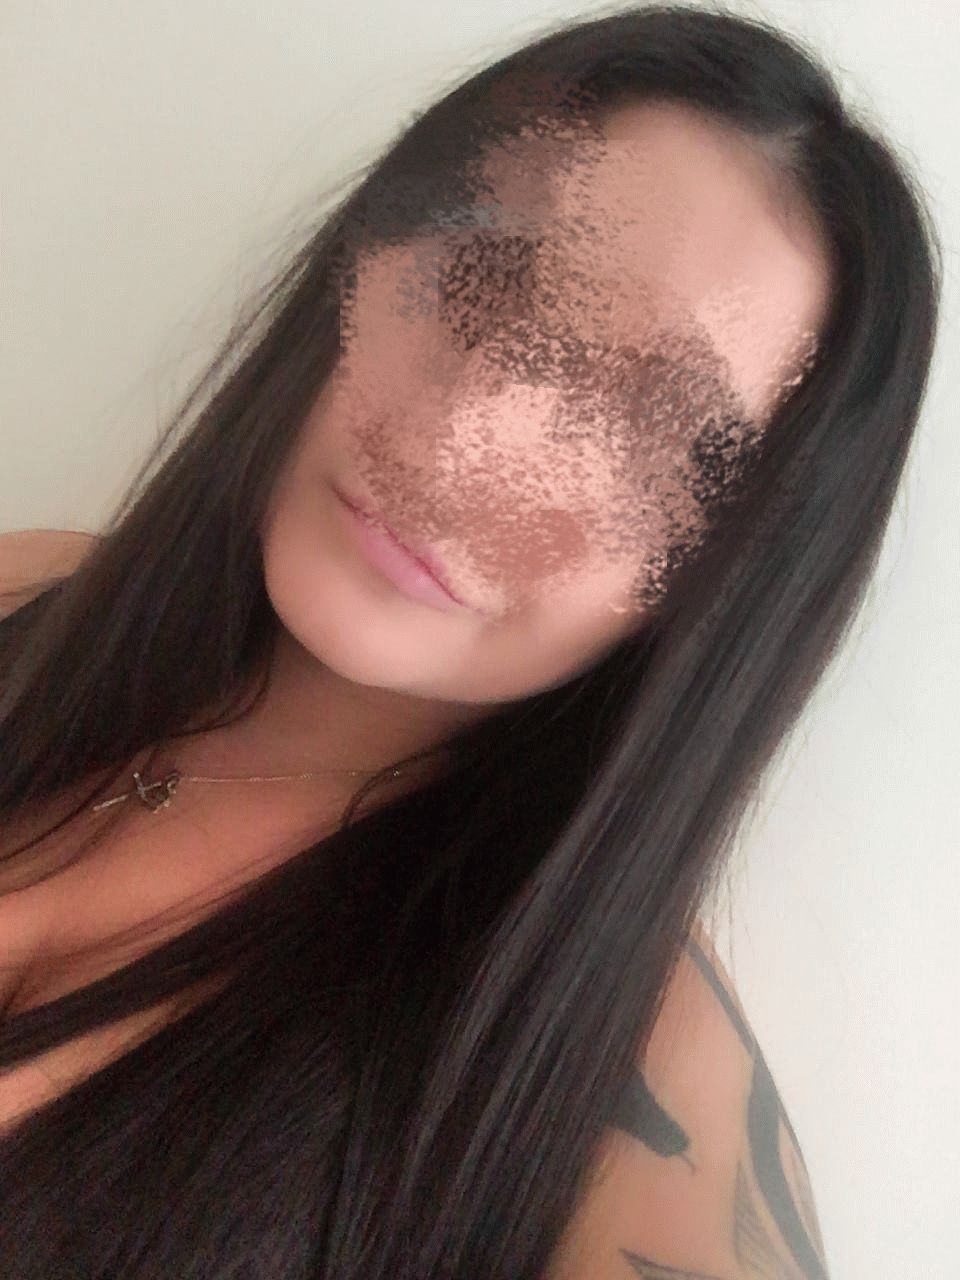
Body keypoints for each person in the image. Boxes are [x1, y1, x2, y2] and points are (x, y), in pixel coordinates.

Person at [0, 5, 941, 1278]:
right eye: (484, 275)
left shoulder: (619, 1086)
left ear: (731, 577)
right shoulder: (33, 590)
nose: (465, 440)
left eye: (645, 432)